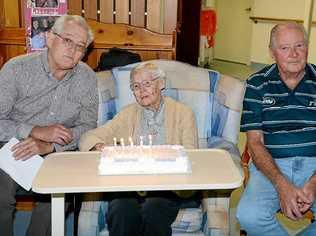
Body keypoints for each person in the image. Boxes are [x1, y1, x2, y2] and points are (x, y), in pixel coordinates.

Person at [0, 15, 98, 236]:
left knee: (59, 193)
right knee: (0, 193)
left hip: (58, 153)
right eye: (67, 40)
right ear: (50, 38)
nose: (73, 50)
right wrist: (33, 131)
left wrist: (51, 146)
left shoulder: (87, 78)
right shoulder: (16, 69)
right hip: (12, 146)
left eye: (80, 47)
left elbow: (88, 127)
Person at [79, 62, 199, 236]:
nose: (141, 90)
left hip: (168, 187)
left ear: (161, 84)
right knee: (120, 209)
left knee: (153, 209)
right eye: (136, 86)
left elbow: (190, 155)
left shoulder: (183, 113)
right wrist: (98, 147)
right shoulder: (128, 114)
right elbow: (88, 137)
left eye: (147, 84)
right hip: (130, 185)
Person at [236, 22, 316, 235]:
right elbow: (254, 143)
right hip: (271, 166)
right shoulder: (256, 84)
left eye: (299, 45)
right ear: (272, 53)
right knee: (248, 216)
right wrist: (281, 184)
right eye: (284, 48)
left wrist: (314, 183)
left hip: (315, 166)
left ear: (307, 47)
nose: (294, 54)